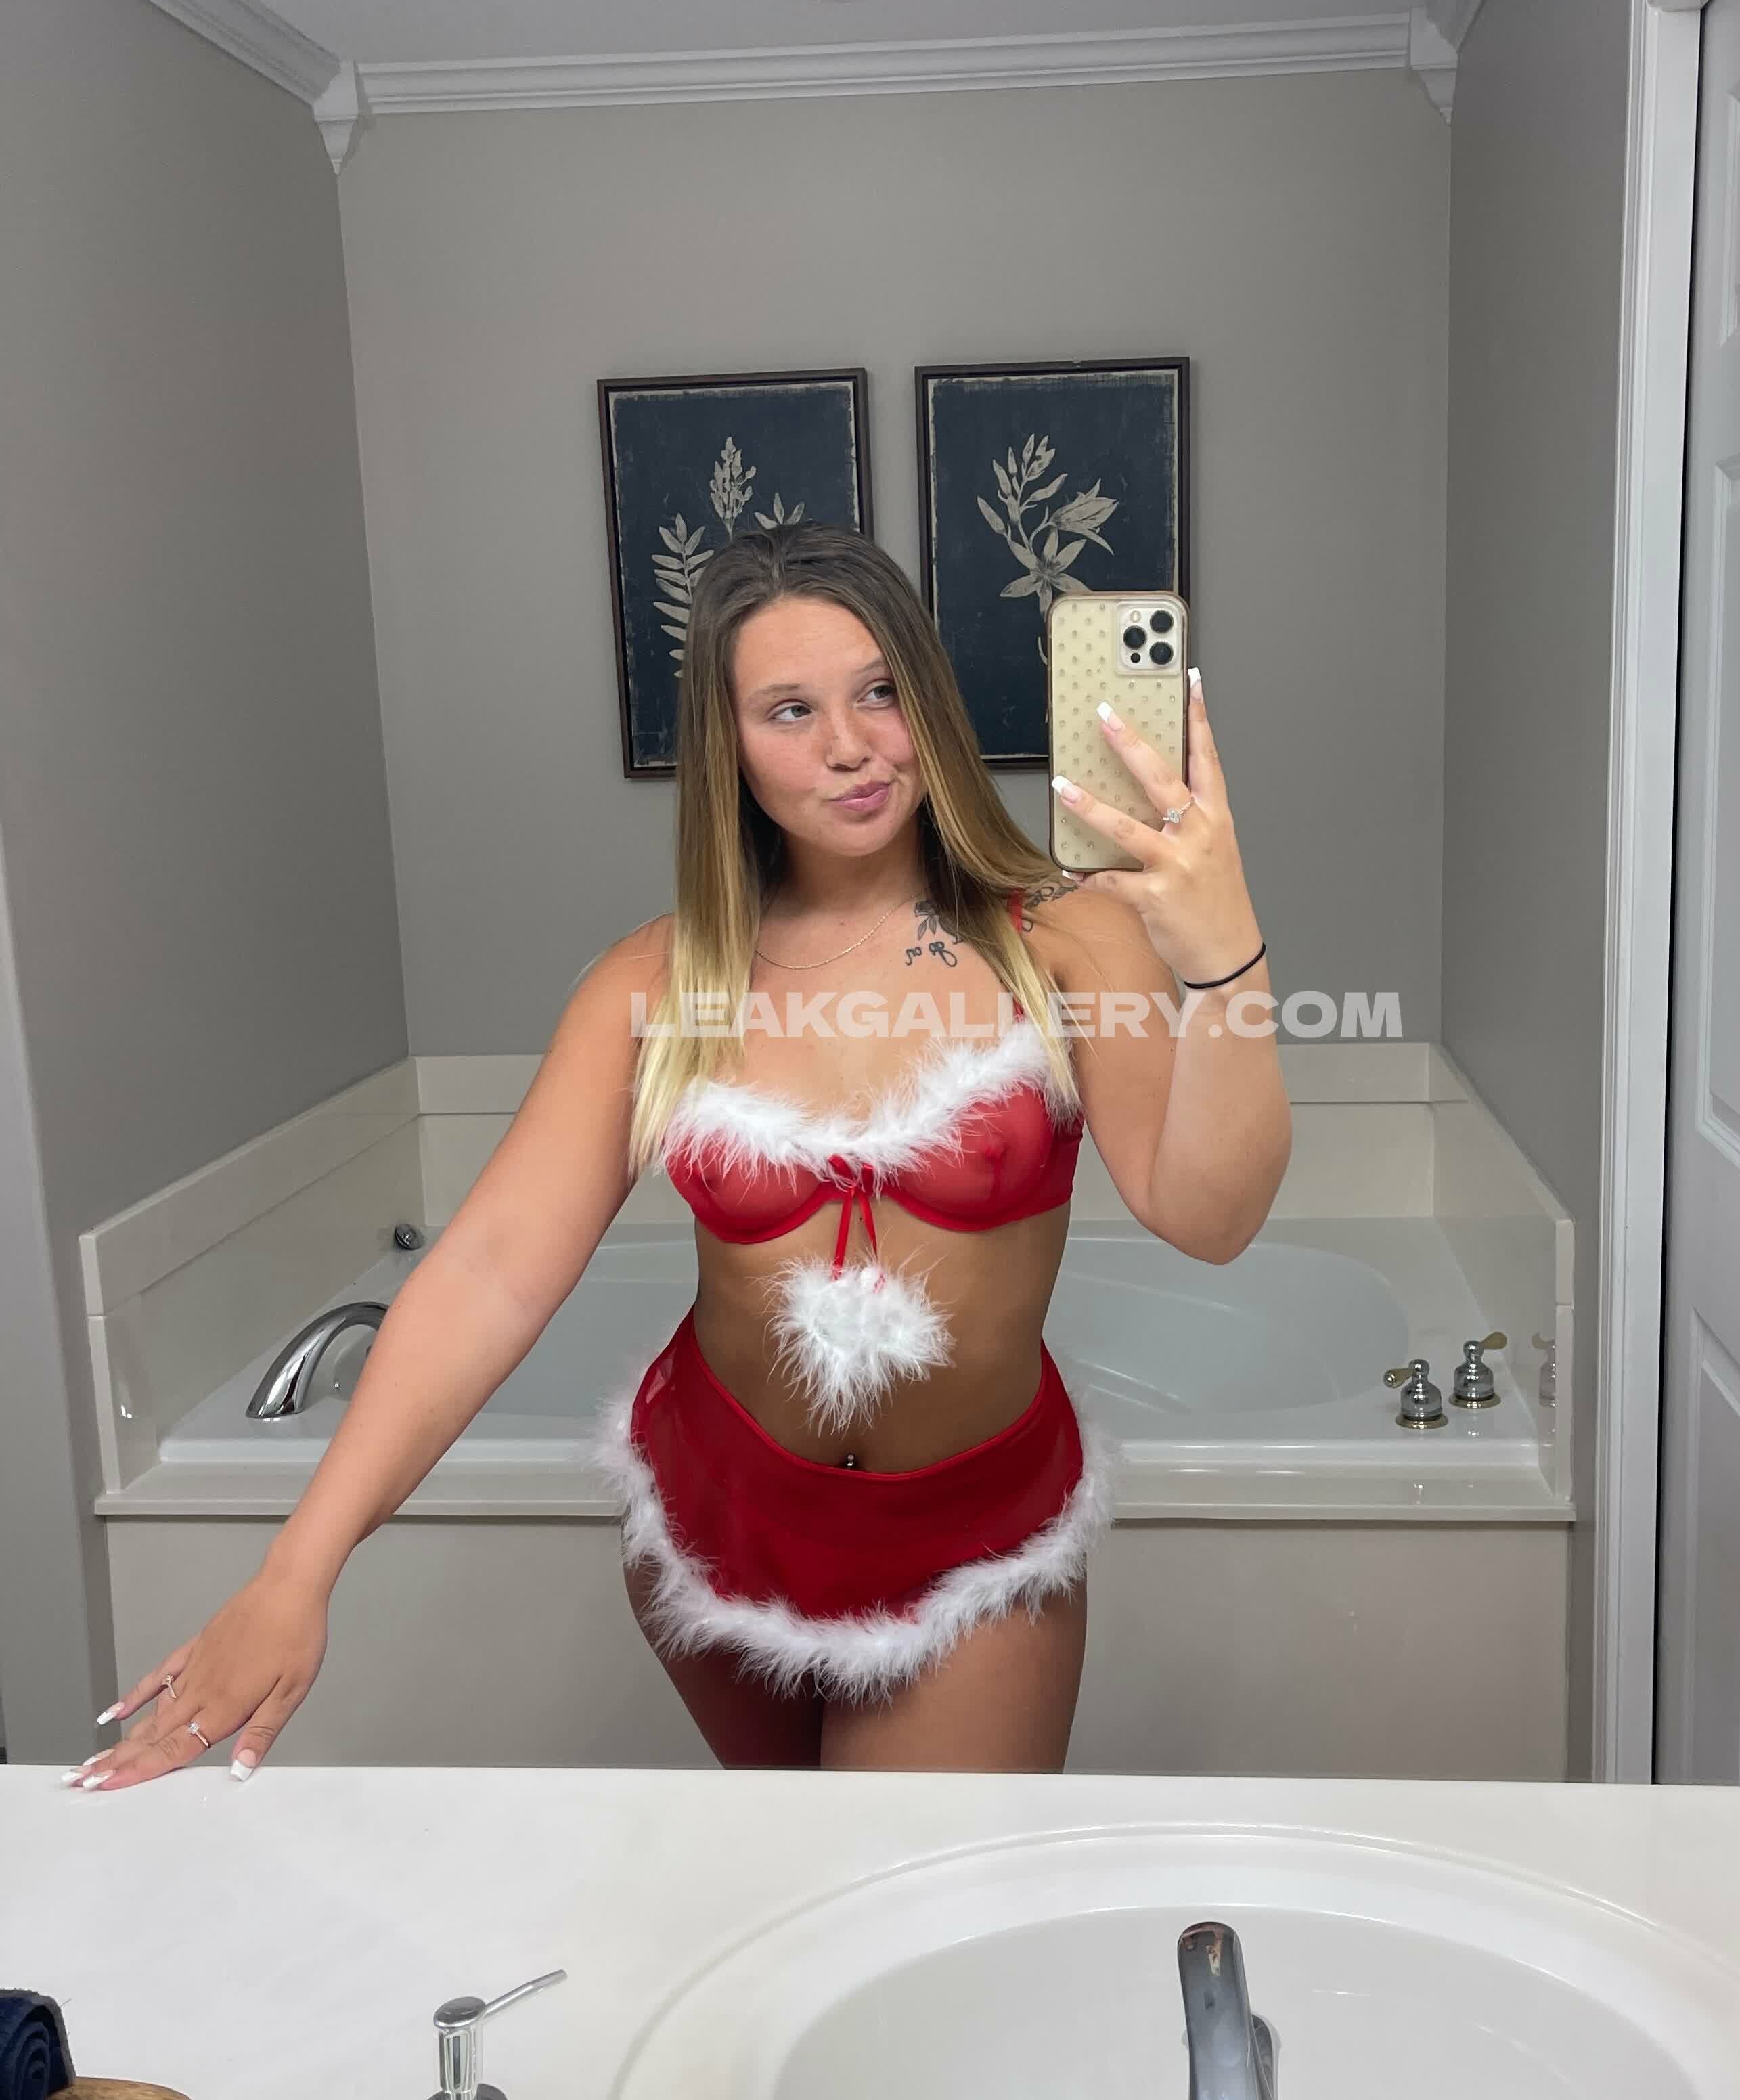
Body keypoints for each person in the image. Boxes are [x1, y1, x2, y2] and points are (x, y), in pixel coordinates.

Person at [69, 526, 1289, 1786]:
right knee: (787, 1874)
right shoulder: (655, 983)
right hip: (715, 1520)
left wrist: (1226, 956)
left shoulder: (1070, 941)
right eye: (789, 710)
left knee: (894, 1889)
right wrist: (296, 1571)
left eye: (880, 691)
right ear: (729, 747)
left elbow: (1212, 1218)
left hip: (972, 1547)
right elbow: (491, 1268)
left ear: (930, 700)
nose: (850, 746)